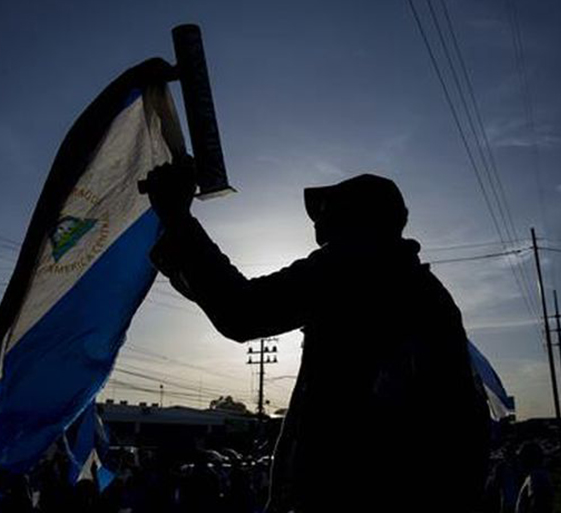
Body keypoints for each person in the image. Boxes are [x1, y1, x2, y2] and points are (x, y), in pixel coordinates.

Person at [144, 162, 491, 512]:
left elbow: (242, 312)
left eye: (328, 216)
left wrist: (177, 217)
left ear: (358, 222)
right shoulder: (418, 286)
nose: (320, 229)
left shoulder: (354, 268)